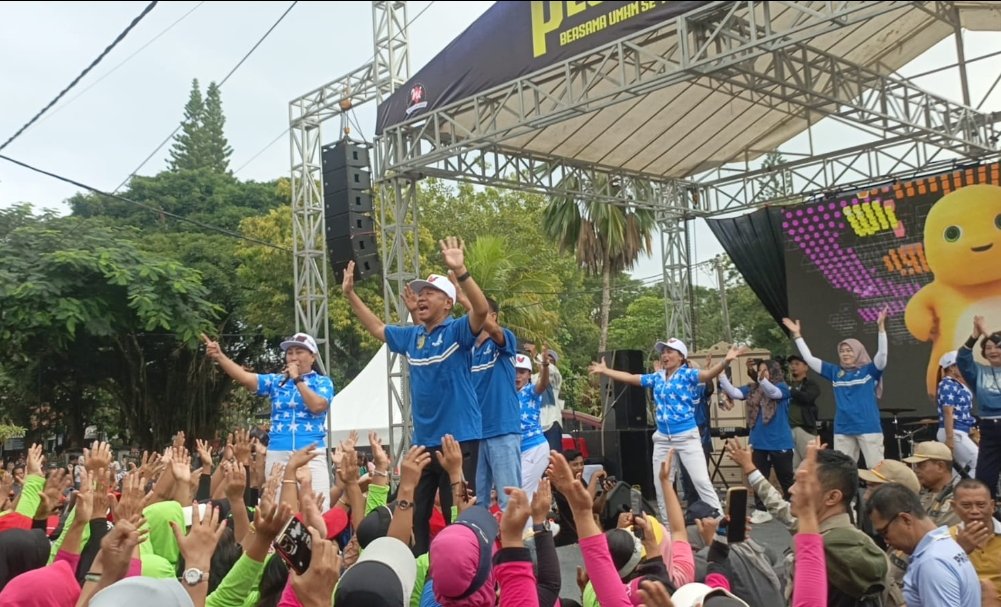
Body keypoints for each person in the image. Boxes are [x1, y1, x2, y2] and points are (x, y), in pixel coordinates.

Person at [342, 237, 489, 555]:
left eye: (430, 293)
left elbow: (481, 309)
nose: (421, 298)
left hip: (459, 441)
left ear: (448, 304)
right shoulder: (413, 337)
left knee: (458, 514)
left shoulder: (456, 332)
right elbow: (379, 328)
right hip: (423, 443)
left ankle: (465, 576)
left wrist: (461, 270)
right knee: (414, 516)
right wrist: (350, 295)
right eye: (419, 294)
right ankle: (422, 581)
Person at [589, 338, 741, 519]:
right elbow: (631, 378)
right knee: (661, 485)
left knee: (701, 481)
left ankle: (721, 523)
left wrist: (726, 361)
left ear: (681, 357)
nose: (665, 355)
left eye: (670, 352)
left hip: (686, 437)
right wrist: (606, 371)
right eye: (663, 352)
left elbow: (708, 375)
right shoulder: (657, 377)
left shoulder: (688, 375)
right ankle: (669, 530)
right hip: (662, 439)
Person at [202, 331, 333, 498]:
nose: (293, 357)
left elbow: (317, 406)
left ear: (312, 357)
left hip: (311, 453)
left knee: (317, 506)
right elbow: (244, 377)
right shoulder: (276, 381)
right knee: (280, 509)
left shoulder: (323, 382)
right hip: (278, 451)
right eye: (290, 353)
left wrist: (297, 379)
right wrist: (220, 356)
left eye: (299, 352)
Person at [782, 308, 889, 467]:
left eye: (849, 350)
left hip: (868, 426)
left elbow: (882, 355)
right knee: (843, 472)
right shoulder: (835, 372)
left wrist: (881, 328)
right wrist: (797, 336)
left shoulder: (869, 371)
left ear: (858, 352)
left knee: (877, 469)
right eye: (842, 351)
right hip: (843, 428)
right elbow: (810, 360)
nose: (845, 354)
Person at [866, 483, 980, 607]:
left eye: (885, 533)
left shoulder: (932, 562)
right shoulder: (945, 547)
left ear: (906, 519)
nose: (886, 541)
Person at [719, 359, 795, 525]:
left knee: (786, 478)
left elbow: (773, 393)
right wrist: (721, 374)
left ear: (773, 371)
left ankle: (792, 507)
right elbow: (734, 393)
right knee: (758, 476)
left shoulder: (782, 387)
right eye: (760, 370)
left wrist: (762, 380)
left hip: (780, 442)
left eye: (766, 370)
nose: (762, 373)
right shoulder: (753, 389)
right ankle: (762, 510)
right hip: (758, 441)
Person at [958, 316, 1001, 498]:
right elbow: (962, 359)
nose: (992, 350)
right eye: (988, 347)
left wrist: (988, 333)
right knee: (984, 479)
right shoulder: (979, 372)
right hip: (989, 429)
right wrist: (975, 336)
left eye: (997, 346)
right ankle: (990, 520)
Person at [947, 478, 1001, 596]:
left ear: (992, 506)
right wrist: (959, 551)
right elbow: (940, 580)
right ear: (954, 507)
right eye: (966, 505)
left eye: (981, 505)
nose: (975, 511)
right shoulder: (945, 540)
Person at [936, 350, 978, 476]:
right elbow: (948, 411)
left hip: (959, 430)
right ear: (952, 367)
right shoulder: (947, 383)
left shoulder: (957, 384)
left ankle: (956, 493)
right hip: (954, 431)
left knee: (960, 469)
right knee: (978, 461)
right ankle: (973, 492)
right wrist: (950, 438)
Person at [903, 441, 960, 527]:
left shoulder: (959, 496)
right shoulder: (921, 492)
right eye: (916, 466)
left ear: (940, 466)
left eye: (921, 465)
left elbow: (936, 532)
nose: (916, 470)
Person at [787, 354, 821, 467]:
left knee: (810, 464)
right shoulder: (786, 384)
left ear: (806, 367)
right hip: (787, 429)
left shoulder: (811, 384)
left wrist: (791, 390)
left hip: (805, 429)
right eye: (791, 364)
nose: (793, 367)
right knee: (793, 466)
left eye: (797, 364)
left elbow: (808, 397)